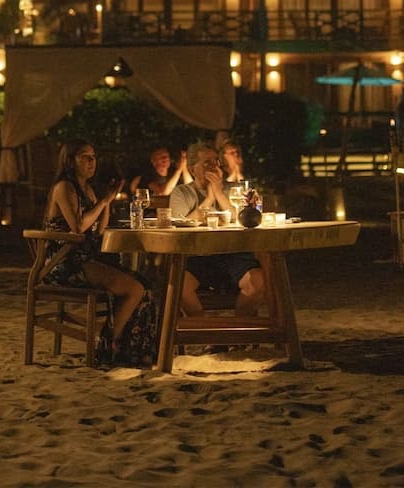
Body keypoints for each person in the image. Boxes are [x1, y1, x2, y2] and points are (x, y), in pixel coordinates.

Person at [44, 138, 156, 366]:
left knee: (144, 286)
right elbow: (78, 226)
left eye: (93, 157)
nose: (91, 161)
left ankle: (129, 350)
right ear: (70, 161)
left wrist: (107, 201)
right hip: (64, 261)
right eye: (84, 157)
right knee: (133, 289)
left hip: (85, 257)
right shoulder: (64, 187)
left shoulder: (87, 189)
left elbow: (99, 229)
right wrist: (103, 201)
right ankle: (107, 346)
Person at [169, 141, 265, 317]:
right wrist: (209, 199)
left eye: (216, 162)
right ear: (192, 169)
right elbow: (181, 224)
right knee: (178, 284)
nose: (213, 167)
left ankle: (240, 329)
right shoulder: (181, 193)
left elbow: (241, 219)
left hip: (233, 255)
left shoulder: (234, 190)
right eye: (207, 163)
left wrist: (219, 193)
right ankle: (203, 328)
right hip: (199, 257)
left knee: (258, 280)